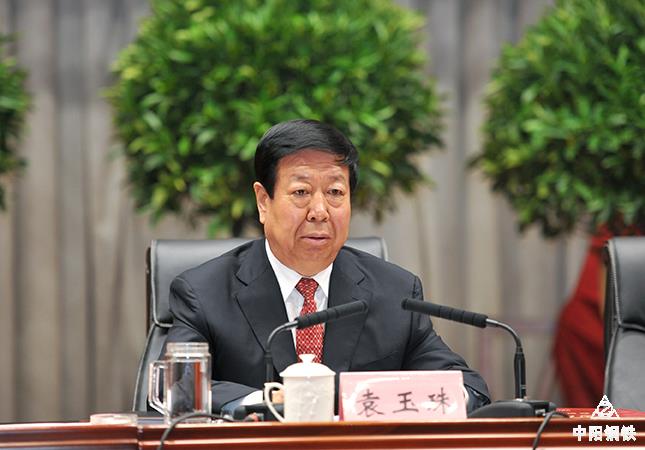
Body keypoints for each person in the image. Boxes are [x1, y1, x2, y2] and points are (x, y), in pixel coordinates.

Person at [164, 119, 490, 414]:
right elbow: (180, 386)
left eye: (335, 192)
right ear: (264, 202)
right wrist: (267, 403)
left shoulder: (396, 293)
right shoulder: (204, 292)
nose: (319, 211)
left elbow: (467, 388)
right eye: (301, 192)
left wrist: (398, 401)